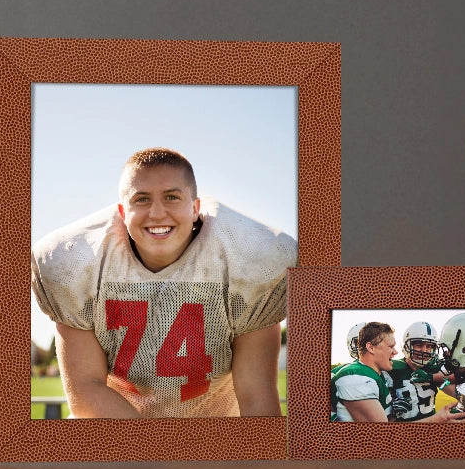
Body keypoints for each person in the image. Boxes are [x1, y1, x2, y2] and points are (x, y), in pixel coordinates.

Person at [31, 147, 297, 418]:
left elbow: (257, 399)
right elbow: (86, 390)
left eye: (172, 197)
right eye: (142, 199)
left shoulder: (250, 261)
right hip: (113, 441)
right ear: (122, 212)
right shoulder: (75, 264)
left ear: (195, 208)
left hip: (214, 444)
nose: (157, 213)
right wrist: (159, 453)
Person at [389, 321, 465, 424]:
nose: (425, 350)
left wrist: (432, 377)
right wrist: (390, 411)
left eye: (429, 346)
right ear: (406, 345)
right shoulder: (391, 369)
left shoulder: (432, 368)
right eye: (418, 345)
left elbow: (459, 394)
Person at [331, 322, 398, 422]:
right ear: (371, 348)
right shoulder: (356, 377)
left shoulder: (374, 374)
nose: (395, 352)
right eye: (390, 346)